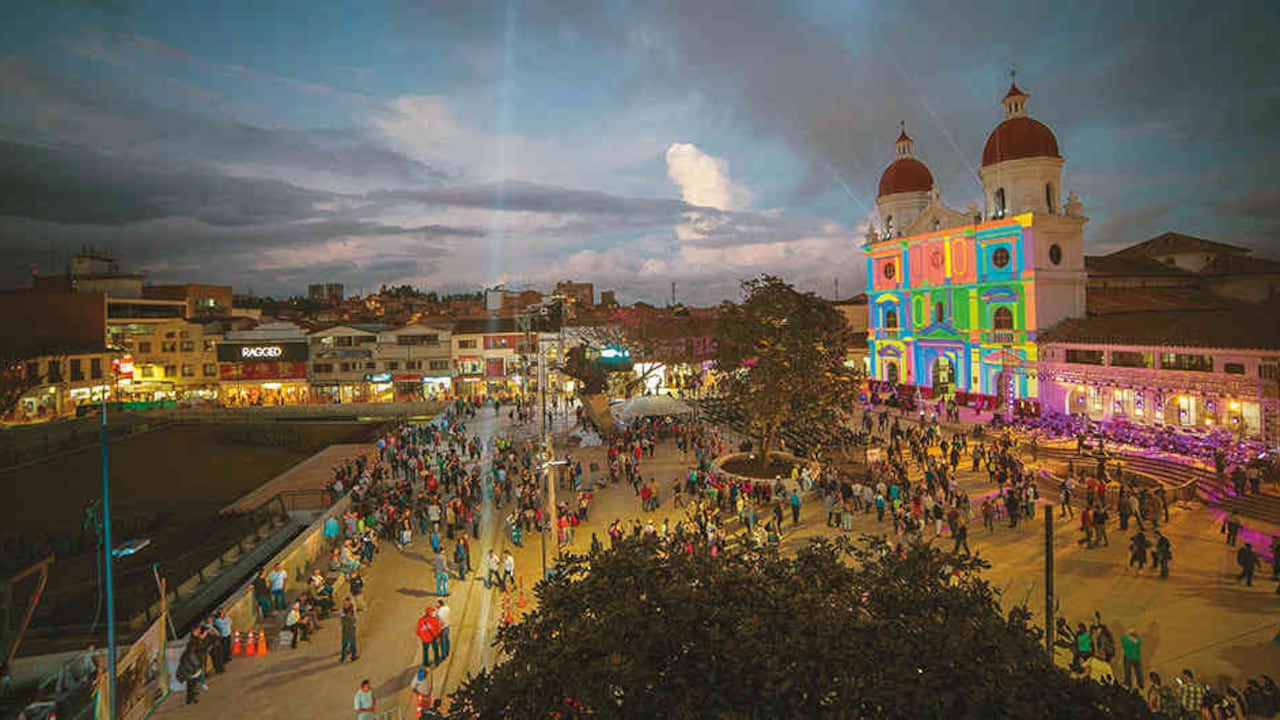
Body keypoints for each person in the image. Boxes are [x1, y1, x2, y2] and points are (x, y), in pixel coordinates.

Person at [177, 639, 204, 705]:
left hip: (189, 672)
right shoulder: (190, 654)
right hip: (190, 673)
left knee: (191, 686)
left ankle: (190, 699)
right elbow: (195, 663)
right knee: (191, 686)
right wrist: (198, 667)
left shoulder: (186, 653)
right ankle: (190, 699)